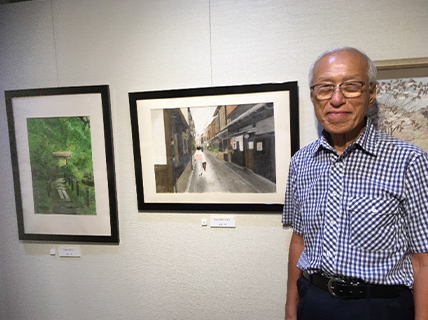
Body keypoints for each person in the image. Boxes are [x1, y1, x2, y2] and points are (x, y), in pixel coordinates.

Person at [282, 47, 428, 320]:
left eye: (351, 86)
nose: (336, 99)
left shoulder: (410, 161)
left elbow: (423, 261)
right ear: (313, 97)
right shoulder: (301, 161)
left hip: (379, 308)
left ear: (371, 93)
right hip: (314, 302)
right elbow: (299, 241)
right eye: (325, 88)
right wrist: (291, 307)